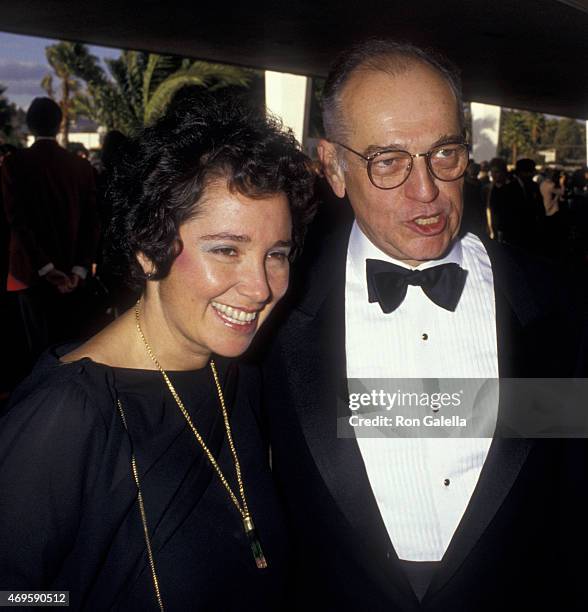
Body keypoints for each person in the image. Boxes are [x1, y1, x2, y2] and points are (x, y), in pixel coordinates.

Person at [263, 39, 588, 611]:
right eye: (387, 161)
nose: (426, 191)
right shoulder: (273, 309)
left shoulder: (560, 305)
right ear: (333, 167)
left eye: (445, 153)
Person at [0, 92, 315, 610]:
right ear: (148, 248)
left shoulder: (236, 375)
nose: (259, 287)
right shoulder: (69, 415)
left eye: (275, 254)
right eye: (227, 250)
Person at [1, 97, 98, 368]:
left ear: (29, 125)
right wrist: (79, 269)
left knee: (35, 354)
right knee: (71, 349)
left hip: (29, 275)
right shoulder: (80, 166)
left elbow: (17, 222)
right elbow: (92, 221)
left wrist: (45, 267)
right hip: (72, 276)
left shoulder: (13, 164)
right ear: (59, 124)